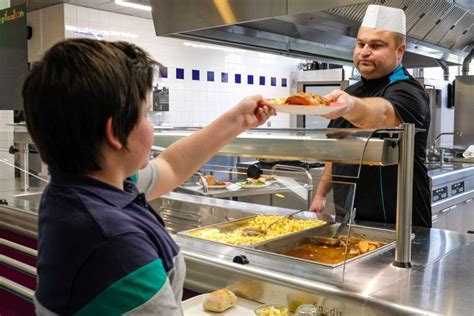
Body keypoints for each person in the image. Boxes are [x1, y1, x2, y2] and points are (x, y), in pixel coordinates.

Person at [22, 38, 275, 315]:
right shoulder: (116, 245)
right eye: (147, 114)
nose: (151, 124)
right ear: (115, 132)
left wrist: (239, 119)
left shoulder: (81, 189)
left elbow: (172, 165)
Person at [309, 5, 431, 228]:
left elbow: (383, 114)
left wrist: (350, 107)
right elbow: (335, 151)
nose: (364, 51)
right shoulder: (351, 92)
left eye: (376, 45)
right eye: (360, 44)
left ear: (399, 51)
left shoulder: (408, 91)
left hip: (401, 222)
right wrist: (320, 195)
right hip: (349, 219)